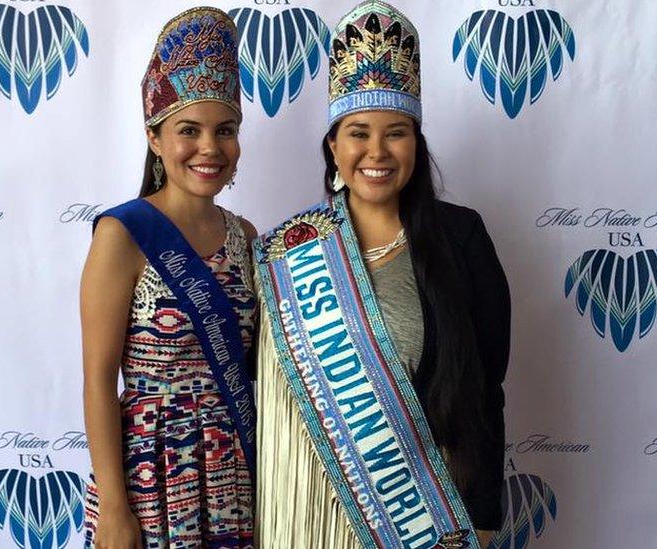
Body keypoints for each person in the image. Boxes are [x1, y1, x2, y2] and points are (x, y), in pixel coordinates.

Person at [252, 1, 510, 547]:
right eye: (358, 133)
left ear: (416, 143)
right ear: (333, 145)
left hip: (423, 517)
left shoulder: (461, 238)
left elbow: (486, 389)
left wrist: (483, 516)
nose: (377, 152)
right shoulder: (287, 251)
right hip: (307, 510)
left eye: (396, 133)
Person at [80, 7, 258, 549]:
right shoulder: (123, 233)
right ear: (156, 139)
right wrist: (114, 506)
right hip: (149, 476)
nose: (210, 147)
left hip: (234, 473)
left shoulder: (246, 236)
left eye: (224, 130)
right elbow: (98, 379)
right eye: (189, 130)